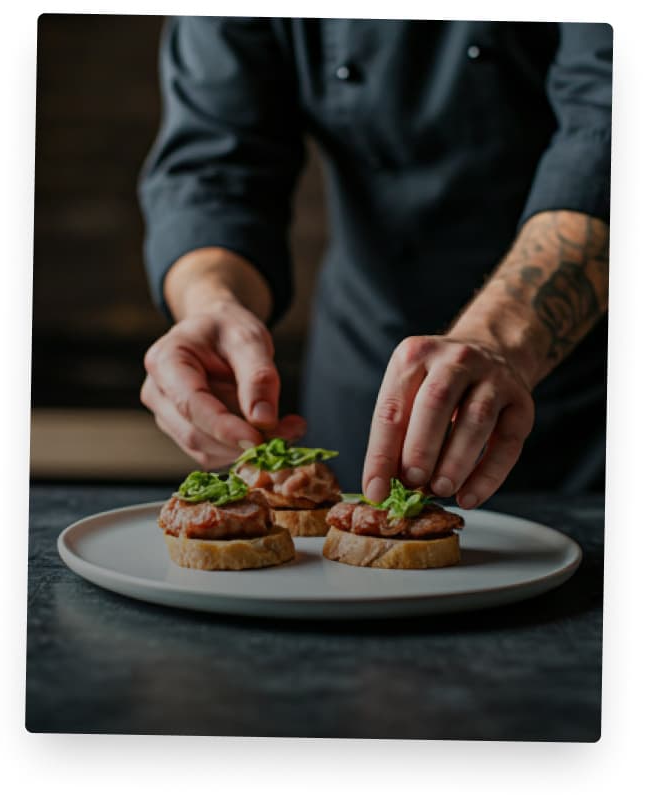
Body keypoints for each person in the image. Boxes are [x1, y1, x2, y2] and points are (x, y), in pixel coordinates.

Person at [138, 18, 611, 508]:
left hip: (591, 396)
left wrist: (498, 338)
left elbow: (612, 136)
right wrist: (212, 304)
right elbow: (214, 167)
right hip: (364, 366)